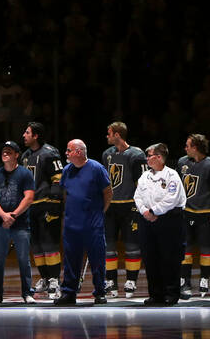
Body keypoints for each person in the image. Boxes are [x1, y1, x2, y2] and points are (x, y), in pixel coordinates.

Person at [54, 139, 112, 306]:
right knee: (70, 260)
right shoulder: (66, 170)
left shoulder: (96, 169)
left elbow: (108, 192)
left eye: (69, 150)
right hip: (72, 224)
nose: (66, 153)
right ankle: (69, 293)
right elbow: (66, 193)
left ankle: (100, 292)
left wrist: (101, 213)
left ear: (78, 152)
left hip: (93, 224)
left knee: (97, 260)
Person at [134, 143, 187, 306]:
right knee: (150, 258)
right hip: (147, 220)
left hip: (169, 220)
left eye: (149, 155)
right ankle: (155, 294)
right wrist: (145, 212)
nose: (147, 158)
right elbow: (137, 196)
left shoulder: (172, 175)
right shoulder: (144, 176)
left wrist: (154, 211)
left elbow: (171, 198)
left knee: (169, 257)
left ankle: (171, 293)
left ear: (158, 157)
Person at [0, 141, 36, 305]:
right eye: (3, 151)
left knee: (23, 260)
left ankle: (27, 293)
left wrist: (13, 215)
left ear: (16, 155)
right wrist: (3, 215)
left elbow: (29, 197)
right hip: (0, 224)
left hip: (21, 225)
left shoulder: (25, 174)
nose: (5, 153)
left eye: (9, 151)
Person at [20, 122, 64, 298]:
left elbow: (58, 178)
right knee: (36, 245)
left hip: (47, 203)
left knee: (50, 243)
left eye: (27, 132)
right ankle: (45, 278)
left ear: (36, 135)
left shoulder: (50, 153)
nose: (24, 135)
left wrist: (55, 202)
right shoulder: (25, 156)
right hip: (31, 206)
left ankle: (54, 279)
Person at [101, 121, 146, 297]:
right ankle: (111, 281)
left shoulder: (136, 155)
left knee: (132, 245)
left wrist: (140, 205)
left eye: (109, 133)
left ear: (117, 135)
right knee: (109, 245)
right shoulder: (107, 155)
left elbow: (141, 183)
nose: (107, 136)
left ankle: (131, 281)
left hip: (130, 206)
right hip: (110, 207)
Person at [177, 133, 210, 298]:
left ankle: (205, 279)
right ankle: (185, 281)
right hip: (186, 214)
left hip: (205, 214)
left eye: (188, 145)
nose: (185, 148)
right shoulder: (182, 163)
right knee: (185, 250)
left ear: (195, 148)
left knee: (206, 249)